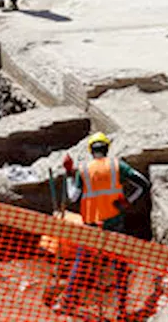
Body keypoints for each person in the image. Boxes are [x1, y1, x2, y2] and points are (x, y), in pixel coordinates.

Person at [57, 133, 154, 316]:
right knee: (120, 265)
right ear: (107, 149)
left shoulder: (84, 169)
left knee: (81, 262)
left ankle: (67, 302)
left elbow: (73, 197)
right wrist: (128, 201)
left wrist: (70, 175)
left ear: (91, 150)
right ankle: (121, 309)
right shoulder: (118, 166)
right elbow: (144, 184)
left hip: (92, 225)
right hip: (115, 223)